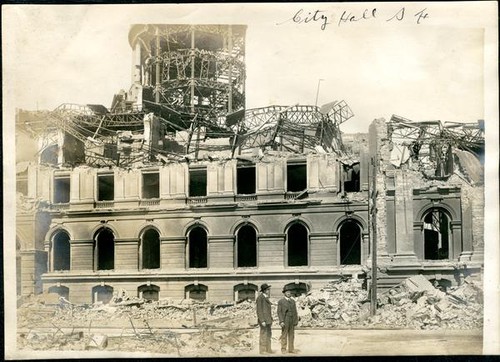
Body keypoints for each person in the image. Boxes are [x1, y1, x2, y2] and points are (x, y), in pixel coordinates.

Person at [277, 285, 299, 354]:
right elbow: (279, 312)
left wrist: (296, 321)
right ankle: (283, 349)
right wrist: (281, 321)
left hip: (292, 319)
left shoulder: (293, 301)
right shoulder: (281, 301)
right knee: (284, 335)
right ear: (284, 293)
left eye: (289, 292)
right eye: (287, 292)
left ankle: (291, 349)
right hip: (285, 319)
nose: (289, 293)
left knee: (292, 335)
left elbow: (295, 311)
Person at [256, 283, 274, 354]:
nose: (269, 291)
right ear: (264, 290)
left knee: (269, 335)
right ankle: (262, 350)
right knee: (263, 335)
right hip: (263, 320)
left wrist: (271, 319)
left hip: (268, 320)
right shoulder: (260, 298)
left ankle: (268, 349)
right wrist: (262, 320)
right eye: (267, 290)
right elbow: (259, 310)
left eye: (268, 289)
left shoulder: (266, 298)